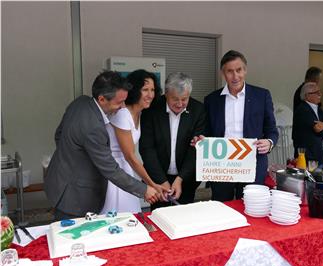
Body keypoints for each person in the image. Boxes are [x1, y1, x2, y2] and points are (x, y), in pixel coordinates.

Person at [44, 71, 167, 220]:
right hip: (74, 194)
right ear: (102, 99)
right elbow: (111, 169)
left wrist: (72, 157)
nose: (122, 107)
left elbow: (59, 135)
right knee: (72, 235)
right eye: (119, 102)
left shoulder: (81, 102)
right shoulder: (94, 127)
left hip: (60, 180)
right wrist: (144, 189)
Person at [204, 50, 279, 202]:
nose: (235, 76)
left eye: (238, 70)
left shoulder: (262, 96)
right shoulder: (211, 100)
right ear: (223, 73)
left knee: (251, 207)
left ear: (245, 70)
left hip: (253, 163)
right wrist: (201, 140)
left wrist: (269, 142)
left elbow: (272, 130)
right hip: (221, 165)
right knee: (221, 206)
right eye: (230, 71)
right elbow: (207, 131)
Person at [101, 69, 165, 214]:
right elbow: (130, 155)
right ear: (135, 90)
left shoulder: (139, 113)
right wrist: (151, 184)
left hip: (126, 168)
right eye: (145, 90)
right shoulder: (123, 114)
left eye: (153, 90)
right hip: (114, 171)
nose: (150, 95)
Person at [139, 72, 206, 209]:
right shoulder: (152, 109)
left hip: (186, 178)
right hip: (157, 178)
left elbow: (195, 149)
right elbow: (147, 148)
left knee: (185, 218)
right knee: (158, 216)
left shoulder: (198, 110)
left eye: (184, 99)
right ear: (166, 94)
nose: (180, 104)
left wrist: (180, 179)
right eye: (175, 99)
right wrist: (162, 181)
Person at [292, 82, 323, 165]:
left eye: (319, 91)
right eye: (316, 92)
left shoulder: (318, 109)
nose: (320, 94)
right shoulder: (303, 110)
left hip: (317, 154)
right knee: (310, 177)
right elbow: (318, 130)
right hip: (308, 156)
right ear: (307, 96)